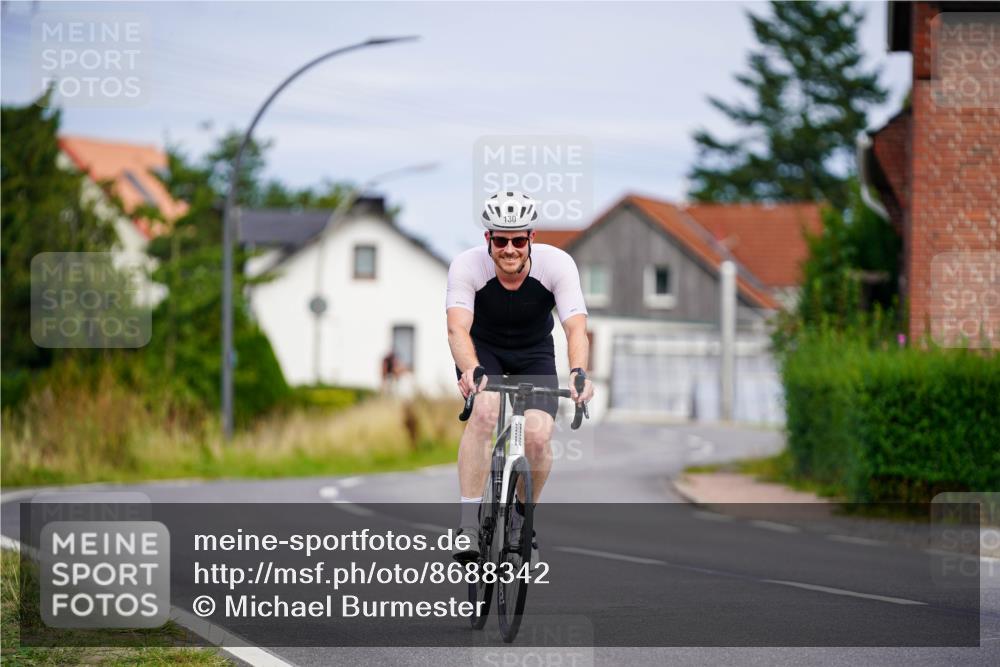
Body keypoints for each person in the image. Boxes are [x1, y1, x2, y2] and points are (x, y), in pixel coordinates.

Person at [445, 191, 594, 565]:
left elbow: (576, 329)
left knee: (539, 436)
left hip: (534, 354)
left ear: (531, 237)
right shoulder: (467, 266)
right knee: (485, 410)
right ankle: (467, 526)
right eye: (500, 240)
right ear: (488, 240)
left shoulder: (557, 265)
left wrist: (578, 373)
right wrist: (470, 370)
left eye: (517, 240)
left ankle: (522, 522)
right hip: (484, 353)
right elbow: (457, 330)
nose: (508, 249)